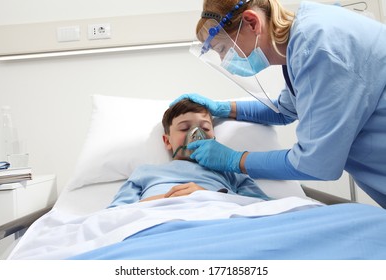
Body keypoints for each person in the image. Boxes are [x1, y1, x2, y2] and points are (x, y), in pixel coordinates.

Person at [171, 0, 386, 208]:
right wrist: (224, 108)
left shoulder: (317, 49)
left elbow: (314, 164)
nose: (224, 60)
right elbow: (284, 110)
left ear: (252, 22)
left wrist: (235, 160)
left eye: (222, 49)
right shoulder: (303, 42)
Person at [108, 99, 269, 206]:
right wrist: (169, 199)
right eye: (185, 128)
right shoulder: (146, 172)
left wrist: (208, 196)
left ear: (214, 138)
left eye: (205, 128)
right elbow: (115, 214)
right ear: (167, 141)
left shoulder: (231, 173)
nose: (196, 133)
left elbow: (264, 208)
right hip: (158, 220)